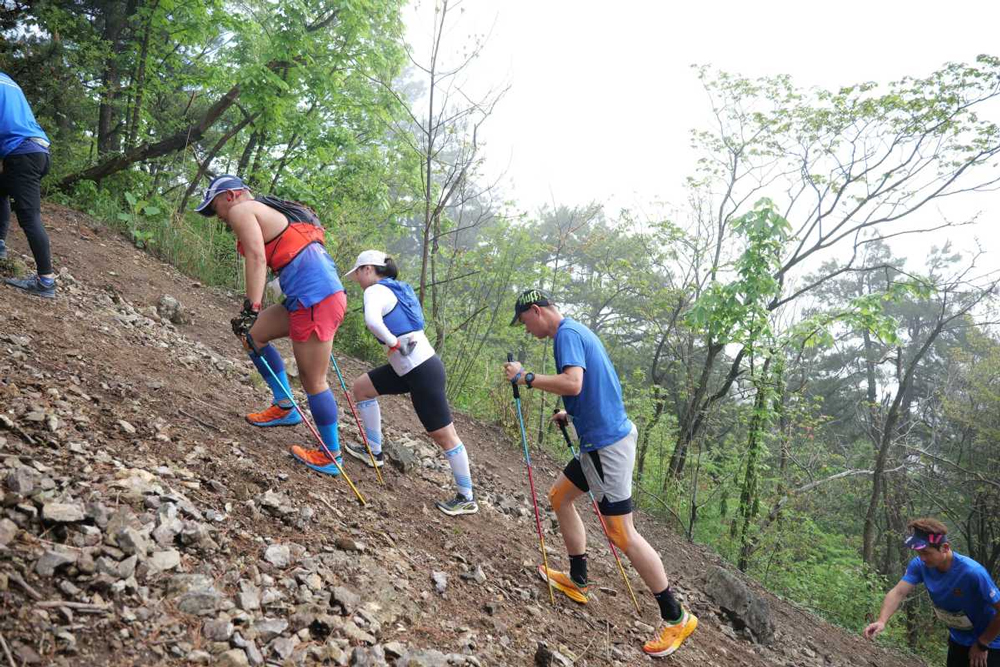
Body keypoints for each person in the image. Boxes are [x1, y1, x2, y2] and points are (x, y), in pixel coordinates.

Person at [503, 289, 697, 658]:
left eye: (525, 322)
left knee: (621, 532)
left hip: (608, 446)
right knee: (559, 497)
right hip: (597, 442)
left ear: (536, 311)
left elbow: (573, 382)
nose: (527, 330)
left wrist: (526, 377)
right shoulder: (575, 331)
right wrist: (571, 414)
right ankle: (577, 580)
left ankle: (676, 617)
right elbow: (592, 386)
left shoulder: (567, 335)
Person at [195, 174, 348, 475]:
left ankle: (331, 455)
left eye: (216, 208)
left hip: (315, 298)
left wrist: (251, 306)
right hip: (308, 296)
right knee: (253, 336)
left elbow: (256, 257)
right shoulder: (269, 213)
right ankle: (284, 406)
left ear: (231, 196)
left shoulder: (243, 209)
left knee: (313, 379)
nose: (219, 218)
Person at [343, 250, 477, 517]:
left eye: (357, 272)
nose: (356, 279)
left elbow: (372, 322)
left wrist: (392, 343)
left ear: (368, 269)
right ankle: (374, 452)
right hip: (409, 368)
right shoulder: (395, 290)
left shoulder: (375, 290)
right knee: (361, 388)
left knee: (443, 435)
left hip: (421, 370)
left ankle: (466, 497)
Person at [864, 518, 1000, 667]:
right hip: (958, 639)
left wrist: (983, 643)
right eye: (918, 553)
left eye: (926, 553)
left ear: (945, 547)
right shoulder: (920, 565)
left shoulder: (972, 572)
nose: (922, 558)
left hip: (990, 642)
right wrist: (882, 620)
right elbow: (898, 592)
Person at [0, 71, 55, 298]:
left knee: (29, 216)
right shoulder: (8, 81)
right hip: (37, 151)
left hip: (23, 154)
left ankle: (46, 281)